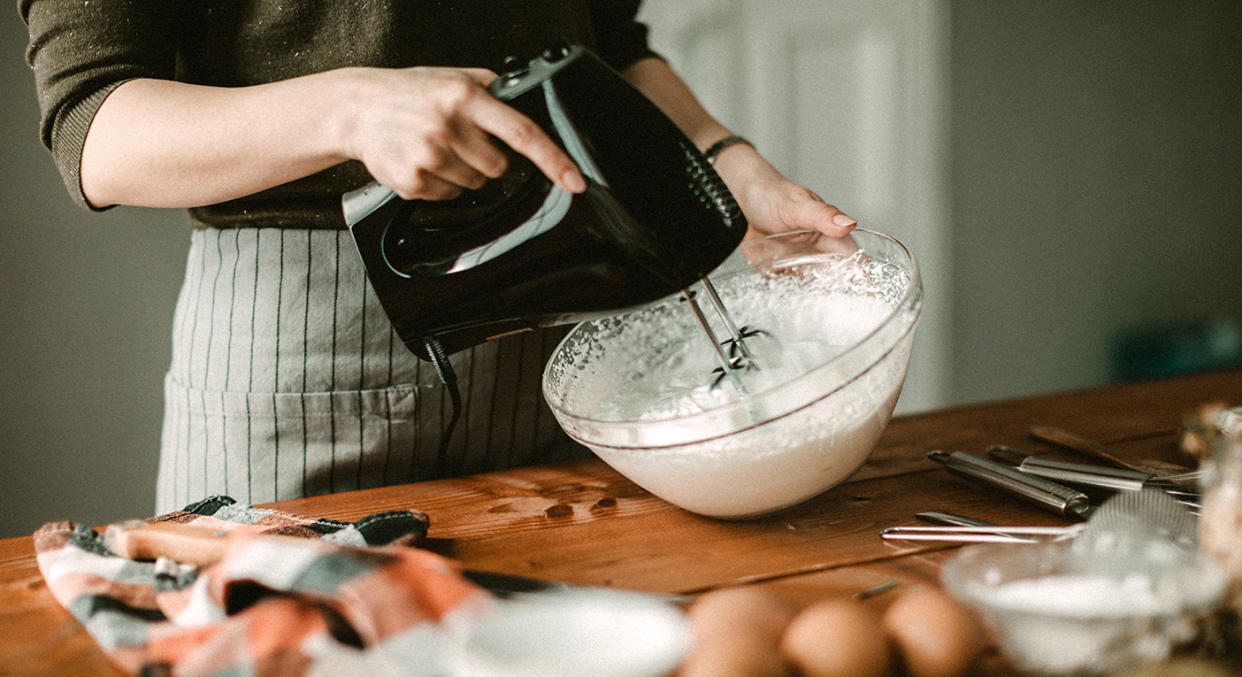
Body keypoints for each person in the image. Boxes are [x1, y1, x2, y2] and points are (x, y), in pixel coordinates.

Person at [19, 1, 857, 514]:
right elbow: (94, 123)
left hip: (566, 318)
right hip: (298, 348)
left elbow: (610, 42)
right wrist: (349, 109)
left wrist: (722, 159)